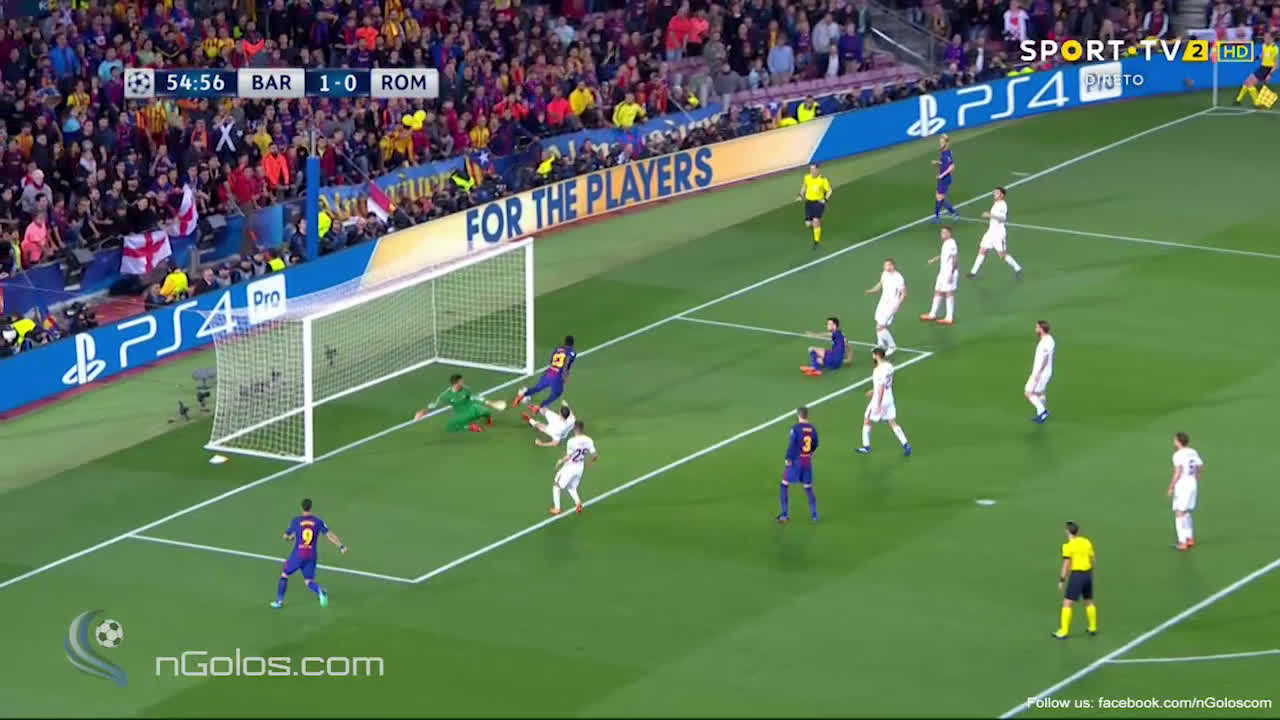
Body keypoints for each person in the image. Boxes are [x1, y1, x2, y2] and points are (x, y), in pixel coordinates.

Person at [271, 498, 347, 610]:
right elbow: (329, 535)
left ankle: (279, 601)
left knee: (284, 574)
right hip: (311, 556)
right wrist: (341, 546)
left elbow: (285, 536)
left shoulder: (296, 521)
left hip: (298, 555)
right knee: (308, 581)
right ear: (311, 507)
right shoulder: (318, 521)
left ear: (302, 507)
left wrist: (290, 538)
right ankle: (319, 591)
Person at [855, 347, 911, 456]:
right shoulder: (889, 366)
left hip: (879, 400)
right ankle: (906, 444)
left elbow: (881, 387)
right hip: (889, 398)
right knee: (892, 422)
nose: (872, 356)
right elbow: (885, 384)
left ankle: (866, 447)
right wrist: (873, 391)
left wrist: (878, 404)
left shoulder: (877, 370)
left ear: (877, 356)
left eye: (873, 354)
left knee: (867, 420)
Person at [1053, 521, 1097, 639]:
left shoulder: (1067, 546)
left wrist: (1062, 580)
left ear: (1067, 531)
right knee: (1088, 601)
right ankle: (1092, 627)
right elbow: (1092, 559)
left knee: (1067, 603)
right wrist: (1090, 572)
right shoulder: (1086, 541)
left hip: (1077, 575)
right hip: (1088, 574)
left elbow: (1066, 564)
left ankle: (1064, 631)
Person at [418, 374, 507, 433]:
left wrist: (488, 402)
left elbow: (475, 396)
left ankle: (487, 419)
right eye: (461, 381)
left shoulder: (466, 389)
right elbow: (435, 405)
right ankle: (470, 427)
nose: (463, 382)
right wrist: (423, 411)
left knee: (486, 411)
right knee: (450, 428)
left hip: (473, 408)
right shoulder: (445, 395)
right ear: (455, 384)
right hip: (461, 413)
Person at [777, 406, 819, 523]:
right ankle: (814, 515)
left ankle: (784, 515)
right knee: (808, 488)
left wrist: (788, 458)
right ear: (807, 415)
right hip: (807, 461)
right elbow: (815, 444)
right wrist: (810, 452)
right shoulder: (812, 429)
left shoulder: (795, 428)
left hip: (796, 461)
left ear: (798, 415)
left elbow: (792, 444)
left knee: (784, 485)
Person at [969, 187, 1022, 278]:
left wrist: (990, 215)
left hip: (998, 233)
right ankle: (973, 272)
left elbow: (1003, 218)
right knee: (982, 250)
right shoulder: (996, 204)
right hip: (990, 232)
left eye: (997, 192)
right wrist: (990, 216)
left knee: (1002, 255)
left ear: (1002, 195)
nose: (994, 194)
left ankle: (1017, 268)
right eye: (994, 192)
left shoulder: (1003, 205)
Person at [514, 335, 577, 412]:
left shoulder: (557, 349)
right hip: (557, 376)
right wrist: (565, 376)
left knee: (537, 388)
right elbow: (566, 364)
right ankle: (539, 407)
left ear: (564, 342)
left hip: (549, 373)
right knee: (557, 393)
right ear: (572, 344)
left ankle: (520, 396)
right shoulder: (572, 352)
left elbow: (551, 362)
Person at [551, 421, 598, 515]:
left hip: (570, 467)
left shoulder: (571, 441)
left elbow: (568, 456)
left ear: (574, 429)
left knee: (556, 487)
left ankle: (557, 508)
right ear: (583, 429)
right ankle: (578, 503)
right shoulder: (589, 440)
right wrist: (591, 463)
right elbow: (594, 455)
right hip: (580, 467)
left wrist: (560, 461)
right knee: (572, 487)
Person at [1168, 432, 1204, 551]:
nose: (1174, 442)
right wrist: (1196, 477)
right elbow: (1200, 466)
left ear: (1179, 442)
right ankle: (1189, 538)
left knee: (1179, 512)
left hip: (1182, 486)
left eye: (1175, 440)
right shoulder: (1193, 451)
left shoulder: (1177, 455)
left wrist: (1171, 487)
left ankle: (1182, 542)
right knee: (1187, 511)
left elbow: (1178, 472)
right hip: (1192, 484)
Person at [864, 258, 906, 356]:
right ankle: (881, 345)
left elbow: (904, 293)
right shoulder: (884, 274)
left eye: (888, 265)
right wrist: (871, 291)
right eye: (885, 265)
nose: (886, 267)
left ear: (892, 266)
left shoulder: (898, 278)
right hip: (882, 303)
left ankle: (892, 346)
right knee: (878, 324)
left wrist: (897, 305)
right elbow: (880, 284)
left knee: (880, 327)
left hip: (891, 305)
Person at [921, 226, 959, 325]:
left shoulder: (952, 243)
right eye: (941, 232)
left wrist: (951, 274)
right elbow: (943, 254)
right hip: (943, 272)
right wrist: (934, 259)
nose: (942, 234)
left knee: (948, 293)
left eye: (944, 232)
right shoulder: (946, 243)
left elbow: (955, 259)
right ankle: (932, 314)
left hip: (949, 272)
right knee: (938, 291)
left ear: (949, 233)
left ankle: (949, 318)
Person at [1234, 32, 1276, 106]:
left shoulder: (1274, 49)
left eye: (1266, 38)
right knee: (1247, 81)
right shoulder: (1264, 45)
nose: (1265, 39)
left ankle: (1257, 103)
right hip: (1262, 67)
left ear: (1271, 39)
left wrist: (1270, 74)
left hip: (1267, 69)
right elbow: (1262, 55)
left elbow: (1276, 64)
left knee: (1250, 83)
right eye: (1264, 37)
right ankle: (1238, 100)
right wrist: (1254, 58)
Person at [797, 163, 832, 249]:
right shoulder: (807, 177)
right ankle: (815, 224)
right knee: (808, 224)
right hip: (809, 203)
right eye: (810, 169)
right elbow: (804, 186)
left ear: (817, 170)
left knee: (815, 221)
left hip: (818, 203)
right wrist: (800, 195)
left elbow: (829, 191)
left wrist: (825, 199)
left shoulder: (823, 180)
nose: (811, 171)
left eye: (813, 169)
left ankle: (816, 242)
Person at [1026, 320, 1055, 423]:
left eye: (1037, 327)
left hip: (1041, 373)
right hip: (1045, 372)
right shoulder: (1049, 339)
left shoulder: (1046, 342)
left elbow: (1045, 358)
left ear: (1041, 329)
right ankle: (1041, 414)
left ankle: (1043, 411)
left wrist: (1039, 372)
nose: (1035, 329)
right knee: (1039, 393)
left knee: (1028, 392)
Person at [932, 134, 958, 222]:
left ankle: (937, 217)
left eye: (942, 142)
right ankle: (952, 213)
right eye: (940, 142)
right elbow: (944, 164)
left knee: (939, 198)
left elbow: (952, 167)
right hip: (942, 178)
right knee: (939, 197)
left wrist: (941, 175)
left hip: (945, 179)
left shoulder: (946, 153)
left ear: (946, 143)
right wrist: (938, 163)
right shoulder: (944, 152)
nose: (940, 144)